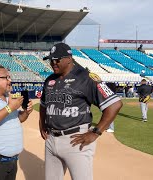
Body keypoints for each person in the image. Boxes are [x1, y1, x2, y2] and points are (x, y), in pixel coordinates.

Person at [40, 43, 123, 180]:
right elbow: (43, 104)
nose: (53, 63)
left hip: (76, 140)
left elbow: (114, 104)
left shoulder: (87, 77)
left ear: (68, 58)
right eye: (51, 59)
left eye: (57, 59)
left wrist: (96, 132)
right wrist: (42, 123)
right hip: (51, 139)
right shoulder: (50, 80)